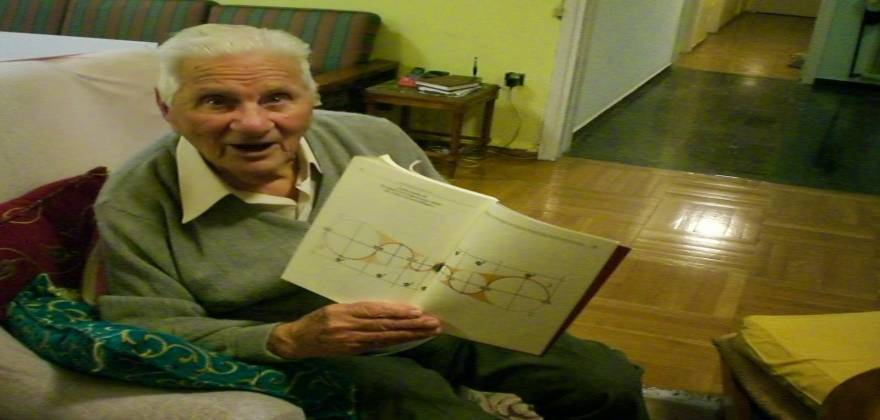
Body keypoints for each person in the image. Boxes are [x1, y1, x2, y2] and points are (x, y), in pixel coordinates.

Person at [94, 23, 649, 419]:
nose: (254, 124)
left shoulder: (372, 137)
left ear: (312, 99)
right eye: (217, 102)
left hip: (429, 316)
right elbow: (153, 330)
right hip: (311, 344)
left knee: (604, 380)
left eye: (278, 98)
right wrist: (288, 337)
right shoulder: (136, 200)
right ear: (167, 109)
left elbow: (457, 229)